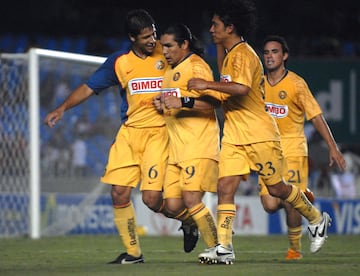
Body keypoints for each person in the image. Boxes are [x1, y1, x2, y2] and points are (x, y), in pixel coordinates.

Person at [44, 9, 198, 265]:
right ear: (132, 37)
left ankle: (188, 220)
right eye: (146, 36)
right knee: (118, 194)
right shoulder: (119, 62)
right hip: (129, 134)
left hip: (158, 134)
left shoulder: (168, 52)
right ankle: (134, 253)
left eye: (154, 34)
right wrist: (61, 108)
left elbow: (194, 62)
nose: (152, 40)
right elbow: (88, 87)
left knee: (151, 199)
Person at [186, 0, 333, 265]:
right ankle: (225, 247)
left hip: (259, 133)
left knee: (277, 189)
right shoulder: (231, 54)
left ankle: (315, 218)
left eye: (216, 25)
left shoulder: (244, 54)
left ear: (230, 27)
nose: (210, 29)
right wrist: (218, 46)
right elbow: (226, 80)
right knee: (225, 187)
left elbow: (240, 89)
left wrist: (204, 83)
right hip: (233, 133)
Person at [260, 35, 346, 260]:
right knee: (269, 204)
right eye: (266, 52)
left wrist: (332, 147)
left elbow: (316, 116)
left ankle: (294, 251)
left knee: (289, 203)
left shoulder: (296, 84)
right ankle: (303, 197)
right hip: (267, 150)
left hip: (293, 149)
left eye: (275, 52)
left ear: (285, 56)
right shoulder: (258, 84)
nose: (270, 56)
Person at [153, 23, 220, 262]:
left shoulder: (196, 66)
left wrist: (183, 102)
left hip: (198, 145)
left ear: (184, 44)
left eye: (170, 46)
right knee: (172, 206)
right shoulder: (170, 71)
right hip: (176, 148)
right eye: (163, 46)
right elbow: (174, 104)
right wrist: (163, 105)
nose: (165, 51)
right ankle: (194, 224)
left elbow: (213, 103)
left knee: (191, 199)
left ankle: (218, 248)